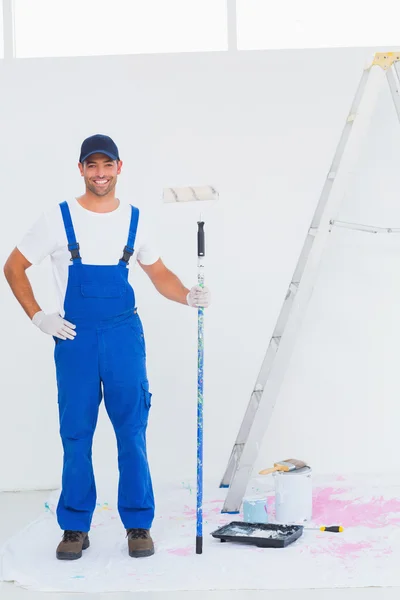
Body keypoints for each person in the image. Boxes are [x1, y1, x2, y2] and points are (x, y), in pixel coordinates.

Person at [3, 134, 210, 561]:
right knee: (76, 433)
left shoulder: (136, 219)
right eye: (92, 165)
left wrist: (188, 294)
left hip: (122, 337)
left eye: (107, 165)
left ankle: (138, 522)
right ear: (81, 169)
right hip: (74, 338)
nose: (100, 173)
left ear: (119, 168)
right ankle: (75, 526)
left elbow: (159, 274)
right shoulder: (56, 219)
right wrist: (40, 316)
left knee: (131, 430)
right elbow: (14, 266)